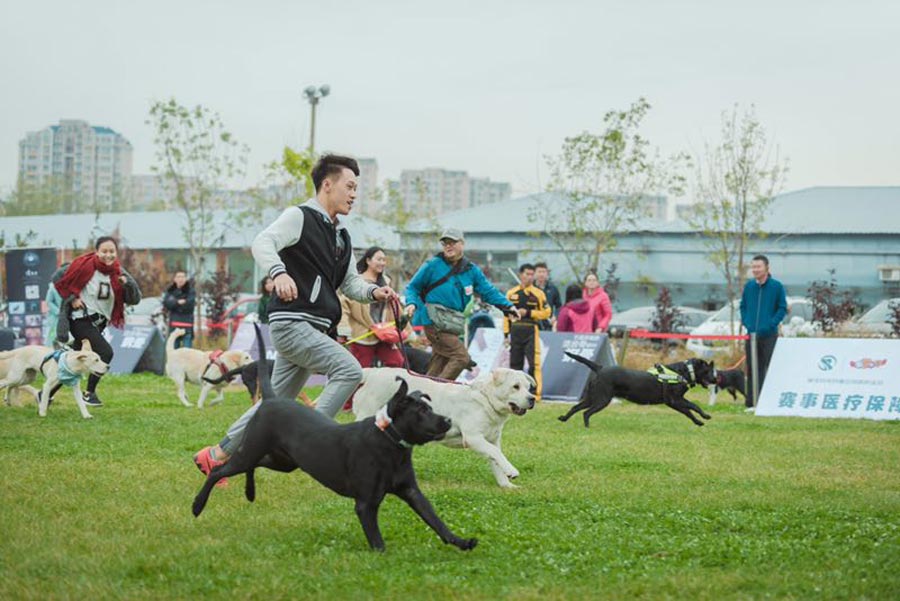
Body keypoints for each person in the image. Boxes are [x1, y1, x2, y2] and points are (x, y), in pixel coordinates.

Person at [193, 154, 396, 479]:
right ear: (327, 185)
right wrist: (279, 272)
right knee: (349, 370)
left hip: (313, 329)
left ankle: (215, 455)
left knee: (272, 405)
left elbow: (350, 283)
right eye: (349, 187)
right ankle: (310, 442)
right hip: (292, 323)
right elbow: (263, 242)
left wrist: (375, 292)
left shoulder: (342, 235)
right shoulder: (299, 216)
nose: (354, 194)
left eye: (356, 188)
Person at [405, 228, 518, 380]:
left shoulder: (471, 270)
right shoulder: (432, 265)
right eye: (445, 243)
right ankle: (440, 389)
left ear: (462, 244)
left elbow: (488, 291)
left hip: (452, 324)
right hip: (434, 322)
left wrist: (507, 306)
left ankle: (424, 391)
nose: (448, 246)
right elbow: (412, 287)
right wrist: (411, 303)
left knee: (440, 362)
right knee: (461, 357)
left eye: (452, 242)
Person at [53, 236, 142, 406]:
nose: (108, 255)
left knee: (73, 363)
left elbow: (135, 299)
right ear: (97, 252)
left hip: (99, 323)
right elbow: (57, 277)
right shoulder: (83, 265)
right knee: (106, 352)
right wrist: (73, 298)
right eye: (104, 251)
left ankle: (46, 393)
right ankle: (89, 394)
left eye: (112, 251)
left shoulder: (119, 272)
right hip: (81, 320)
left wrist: (127, 285)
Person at [339, 246, 404, 368]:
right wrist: (343, 331)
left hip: (383, 334)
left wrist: (404, 326)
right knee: (361, 369)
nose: (382, 263)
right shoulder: (356, 284)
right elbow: (343, 307)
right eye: (379, 259)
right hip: (363, 335)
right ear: (368, 260)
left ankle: (383, 381)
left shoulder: (386, 282)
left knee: (396, 362)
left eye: (384, 260)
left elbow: (394, 308)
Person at [740, 254, 787, 409]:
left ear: (767, 268)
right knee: (753, 369)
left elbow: (782, 308)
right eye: (753, 267)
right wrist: (747, 322)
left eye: (758, 266)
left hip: (769, 335)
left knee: (772, 368)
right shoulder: (749, 286)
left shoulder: (776, 286)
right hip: (751, 335)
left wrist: (771, 324)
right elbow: (743, 306)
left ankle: (772, 401)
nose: (755, 270)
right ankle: (752, 403)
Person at [505, 263, 551, 399]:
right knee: (515, 364)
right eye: (527, 274)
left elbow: (547, 312)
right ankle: (514, 393)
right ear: (521, 275)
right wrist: (506, 334)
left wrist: (529, 313)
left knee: (533, 363)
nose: (530, 277)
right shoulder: (511, 293)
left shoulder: (538, 294)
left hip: (531, 329)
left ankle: (536, 393)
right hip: (515, 330)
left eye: (532, 274)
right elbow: (505, 315)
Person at [163, 270, 195, 348]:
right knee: (174, 351)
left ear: (186, 279)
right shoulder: (170, 291)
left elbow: (189, 305)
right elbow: (167, 304)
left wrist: (174, 304)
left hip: (187, 326)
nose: (181, 279)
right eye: (178, 277)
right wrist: (177, 302)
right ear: (175, 279)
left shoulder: (191, 291)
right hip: (174, 325)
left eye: (183, 277)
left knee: (187, 352)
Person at [533, 262, 561, 331]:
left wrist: (555, 316)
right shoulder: (530, 289)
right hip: (533, 324)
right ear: (534, 273)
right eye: (539, 272)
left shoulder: (553, 289)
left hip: (548, 324)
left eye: (544, 272)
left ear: (547, 273)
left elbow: (559, 307)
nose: (541, 274)